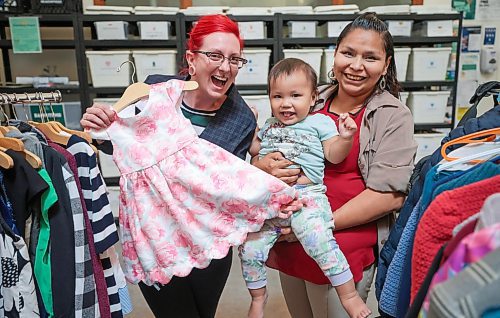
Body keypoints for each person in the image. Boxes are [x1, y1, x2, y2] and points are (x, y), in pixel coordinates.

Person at [80, 14, 300, 318]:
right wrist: (101, 123)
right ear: (191, 59)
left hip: (207, 243)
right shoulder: (153, 92)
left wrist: (270, 182)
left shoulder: (241, 118)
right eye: (215, 55)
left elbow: (230, 181)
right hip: (155, 239)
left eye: (235, 59)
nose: (225, 67)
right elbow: (117, 141)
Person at [253, 13, 418, 318]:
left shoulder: (393, 115)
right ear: (335, 54)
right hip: (291, 236)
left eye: (370, 57)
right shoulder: (309, 101)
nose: (356, 65)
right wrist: (263, 165)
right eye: (348, 53)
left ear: (386, 64)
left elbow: (390, 194)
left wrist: (317, 224)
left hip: (341, 240)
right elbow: (268, 145)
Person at [239, 58, 371, 318]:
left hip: (306, 197)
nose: (286, 103)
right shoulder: (270, 126)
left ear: (312, 99)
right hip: (271, 201)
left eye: (295, 95)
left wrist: (346, 137)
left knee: (319, 239)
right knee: (248, 246)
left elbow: (333, 155)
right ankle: (258, 297)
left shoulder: (319, 122)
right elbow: (256, 150)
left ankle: (348, 295)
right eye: (277, 96)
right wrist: (251, 128)